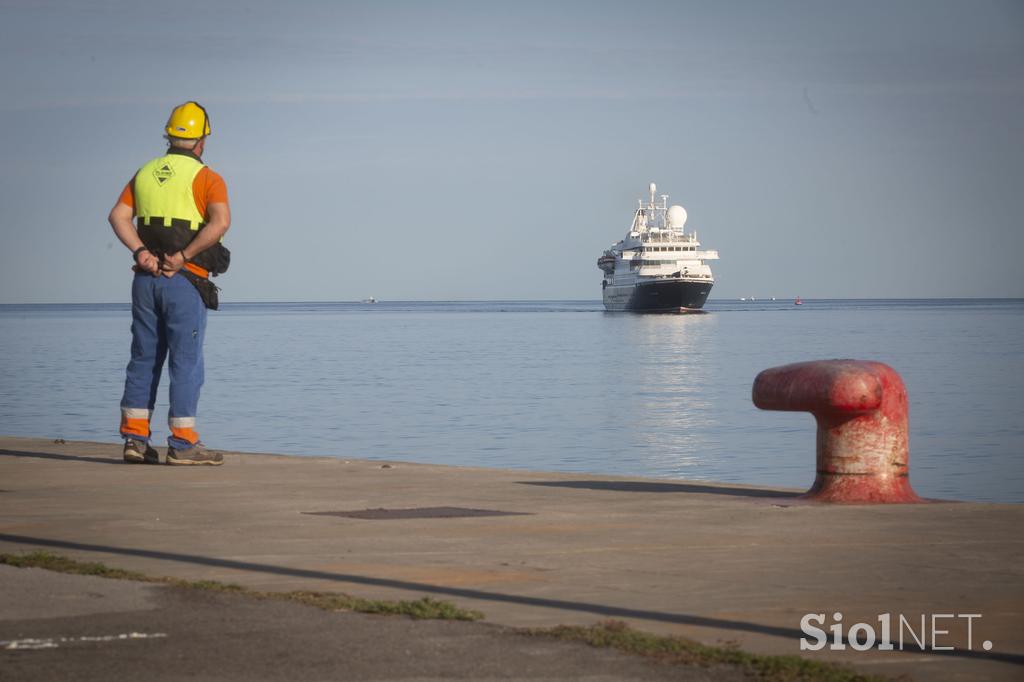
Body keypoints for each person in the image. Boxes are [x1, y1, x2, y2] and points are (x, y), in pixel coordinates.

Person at [108, 101, 231, 465]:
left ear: (170, 136)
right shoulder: (208, 178)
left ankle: (134, 440)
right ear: (201, 141)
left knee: (143, 358)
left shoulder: (143, 173)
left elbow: (117, 216)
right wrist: (185, 256)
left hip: (145, 281)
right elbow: (220, 223)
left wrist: (140, 252)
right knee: (186, 362)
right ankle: (183, 443)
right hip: (184, 281)